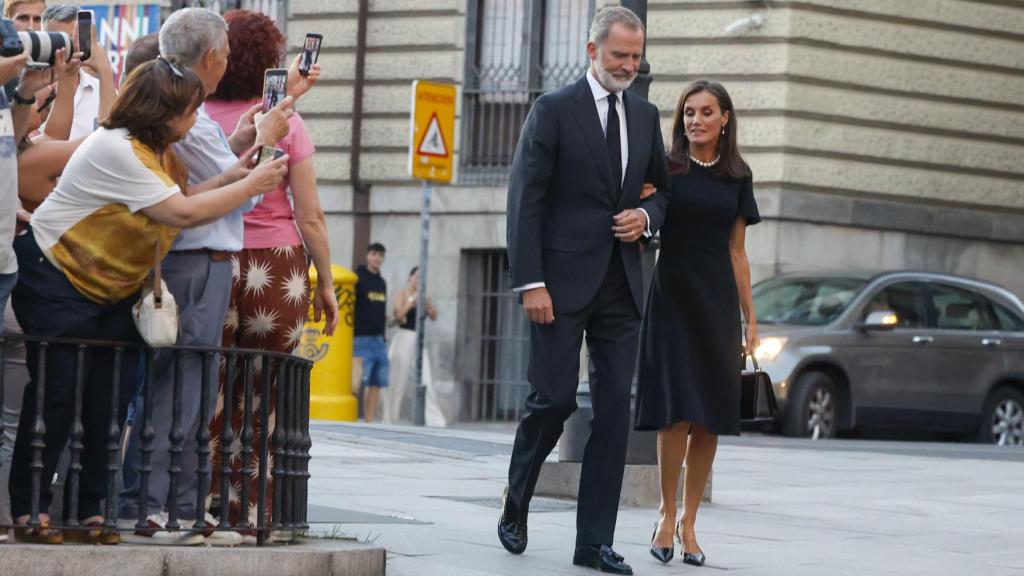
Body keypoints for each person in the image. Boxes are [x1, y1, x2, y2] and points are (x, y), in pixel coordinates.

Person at [8, 57, 288, 545]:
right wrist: (250, 184)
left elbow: (178, 196)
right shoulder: (116, 149)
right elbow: (178, 211)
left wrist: (232, 177)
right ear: (162, 113)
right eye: (188, 112)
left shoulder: (153, 151)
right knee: (58, 396)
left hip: (110, 287)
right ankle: (29, 509)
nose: (194, 120)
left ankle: (90, 510)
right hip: (56, 274)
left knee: (108, 402)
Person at [499, 6, 671, 575]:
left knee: (615, 413)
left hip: (623, 284)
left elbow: (662, 195)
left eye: (636, 55)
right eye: (619, 54)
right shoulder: (552, 110)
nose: (629, 64)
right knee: (553, 400)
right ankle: (517, 498)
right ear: (592, 50)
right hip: (557, 284)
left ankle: (593, 541)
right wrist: (531, 282)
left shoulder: (645, 116)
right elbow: (526, 199)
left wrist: (645, 218)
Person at [116, 7, 297, 545]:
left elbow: (218, 177)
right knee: (180, 387)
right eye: (224, 54)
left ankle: (186, 510)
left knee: (195, 389)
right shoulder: (177, 106)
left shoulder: (178, 100)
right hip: (191, 261)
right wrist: (263, 144)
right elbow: (236, 193)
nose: (227, 64)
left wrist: (246, 142)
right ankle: (157, 509)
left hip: (203, 260)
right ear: (213, 57)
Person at [204, 8, 335, 535]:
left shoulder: (194, 116)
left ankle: (202, 507)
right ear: (269, 62)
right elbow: (310, 215)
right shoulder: (286, 120)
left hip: (212, 258)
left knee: (208, 391)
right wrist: (325, 282)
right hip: (275, 269)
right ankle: (253, 514)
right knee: (263, 401)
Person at [635, 80, 760, 567]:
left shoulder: (738, 175)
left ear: (725, 118)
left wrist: (751, 319)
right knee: (675, 415)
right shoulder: (667, 167)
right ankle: (666, 514)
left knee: (708, 418)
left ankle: (689, 522)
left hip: (716, 304)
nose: (696, 120)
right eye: (689, 112)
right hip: (672, 299)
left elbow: (738, 252)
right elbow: (647, 211)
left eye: (707, 112)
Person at [41, 4, 116, 139]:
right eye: (61, 39)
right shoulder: (33, 94)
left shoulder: (105, 91)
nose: (71, 47)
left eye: (75, 38)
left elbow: (114, 141)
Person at [383, 266, 444, 426]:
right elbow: (398, 314)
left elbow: (434, 316)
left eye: (421, 277)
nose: (418, 280)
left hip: (419, 339)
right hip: (404, 337)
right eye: (416, 277)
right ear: (410, 278)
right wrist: (411, 302)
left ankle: (434, 420)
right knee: (397, 379)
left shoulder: (425, 296)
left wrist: (427, 304)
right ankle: (391, 418)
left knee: (426, 379)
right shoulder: (402, 294)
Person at [353, 243, 388, 423]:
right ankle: (351, 417)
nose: (377, 258)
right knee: (357, 382)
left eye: (380, 255)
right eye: (374, 254)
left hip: (379, 340)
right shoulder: (357, 278)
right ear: (367, 255)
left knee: (377, 382)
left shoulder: (382, 283)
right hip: (361, 338)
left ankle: (369, 420)